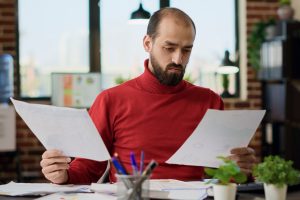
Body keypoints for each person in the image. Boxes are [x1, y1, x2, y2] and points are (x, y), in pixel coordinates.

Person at [40, 7, 256, 184]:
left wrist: (240, 170)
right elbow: (89, 168)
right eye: (169, 48)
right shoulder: (111, 100)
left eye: (186, 50)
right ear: (147, 43)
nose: (178, 59)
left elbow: (221, 173)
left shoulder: (209, 100)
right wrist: (63, 175)